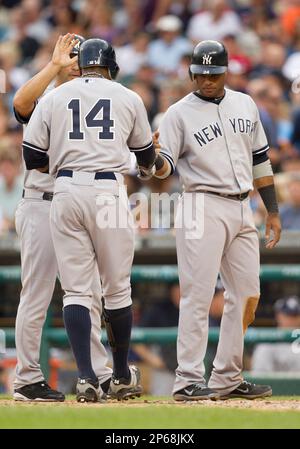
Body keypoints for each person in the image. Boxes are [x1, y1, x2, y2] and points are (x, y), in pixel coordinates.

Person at [22, 38, 158, 402]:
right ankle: (119, 375)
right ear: (110, 66)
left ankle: (85, 378)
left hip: (64, 191)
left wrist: (74, 159)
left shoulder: (55, 96)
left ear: (80, 64)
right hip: (107, 190)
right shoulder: (127, 96)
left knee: (76, 291)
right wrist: (133, 160)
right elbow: (146, 159)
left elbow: (32, 156)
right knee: (116, 288)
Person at [154, 40, 282, 401]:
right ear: (192, 73)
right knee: (197, 295)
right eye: (201, 73)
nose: (207, 79)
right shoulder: (178, 113)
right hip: (201, 202)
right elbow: (164, 165)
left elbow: (260, 160)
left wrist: (271, 210)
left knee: (247, 294)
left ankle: (227, 376)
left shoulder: (246, 103)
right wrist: (153, 157)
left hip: (243, 205)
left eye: (214, 73)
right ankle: (187, 379)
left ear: (227, 71)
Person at [13, 34, 112, 402]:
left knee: (88, 294)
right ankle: (26, 378)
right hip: (42, 200)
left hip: (77, 202)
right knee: (36, 294)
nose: (75, 62)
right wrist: (53, 66)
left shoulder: (98, 103)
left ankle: (99, 375)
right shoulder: (49, 99)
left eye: (79, 57)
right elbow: (20, 103)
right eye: (71, 56)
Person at [251, 296, 300, 373]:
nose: (292, 320)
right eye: (288, 316)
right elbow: (260, 378)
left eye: (295, 316)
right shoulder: (267, 342)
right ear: (278, 316)